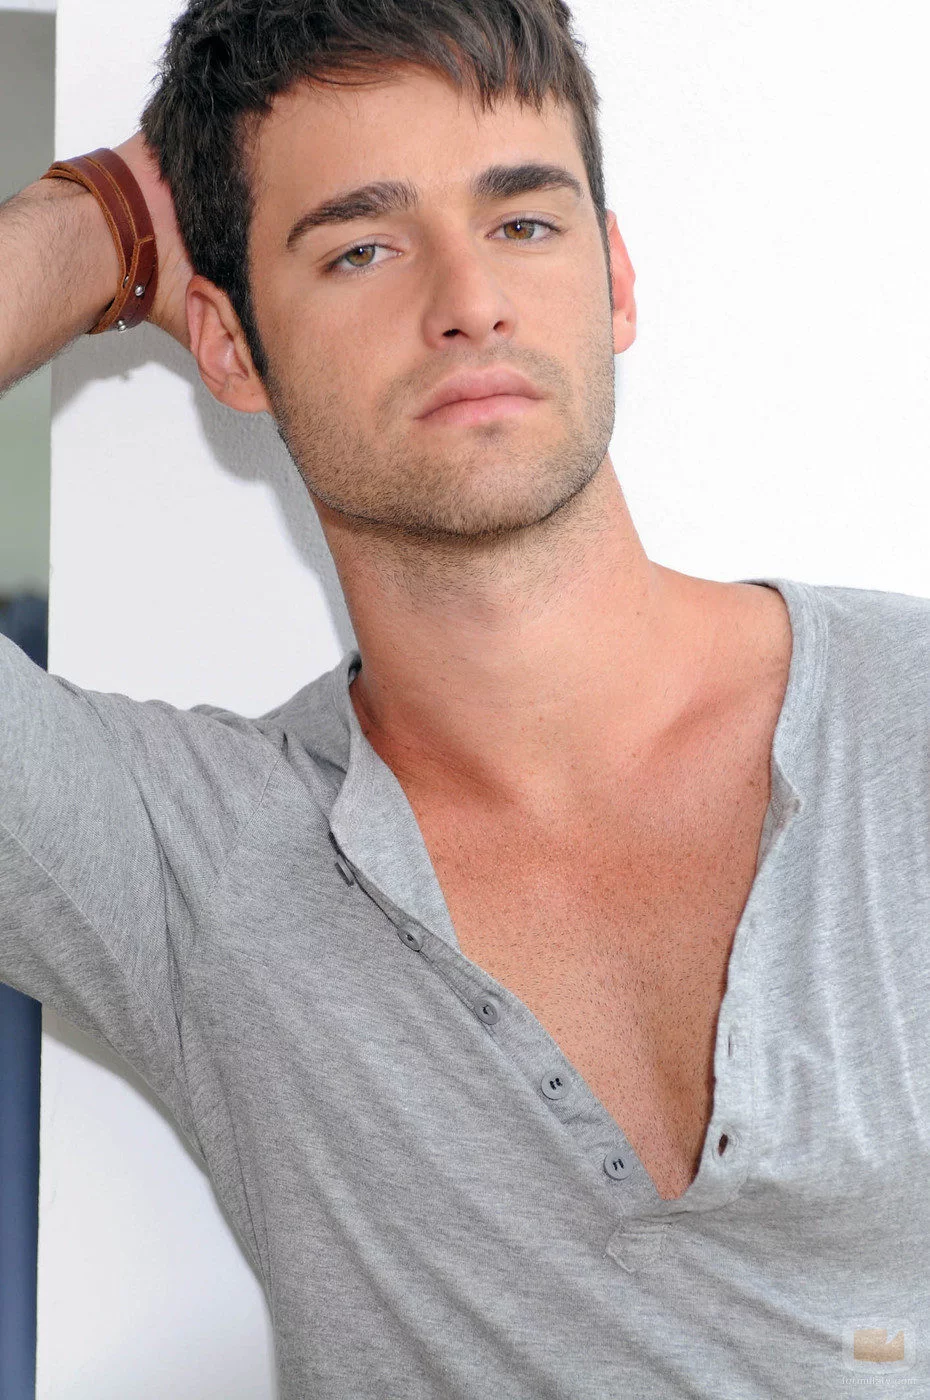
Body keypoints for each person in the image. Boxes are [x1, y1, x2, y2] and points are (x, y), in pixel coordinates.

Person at [1, 1, 927, 1394]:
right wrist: (109, 219)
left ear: (615, 282)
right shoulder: (190, 868)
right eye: (361, 247)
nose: (469, 299)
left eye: (524, 222)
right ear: (232, 348)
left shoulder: (907, 724)